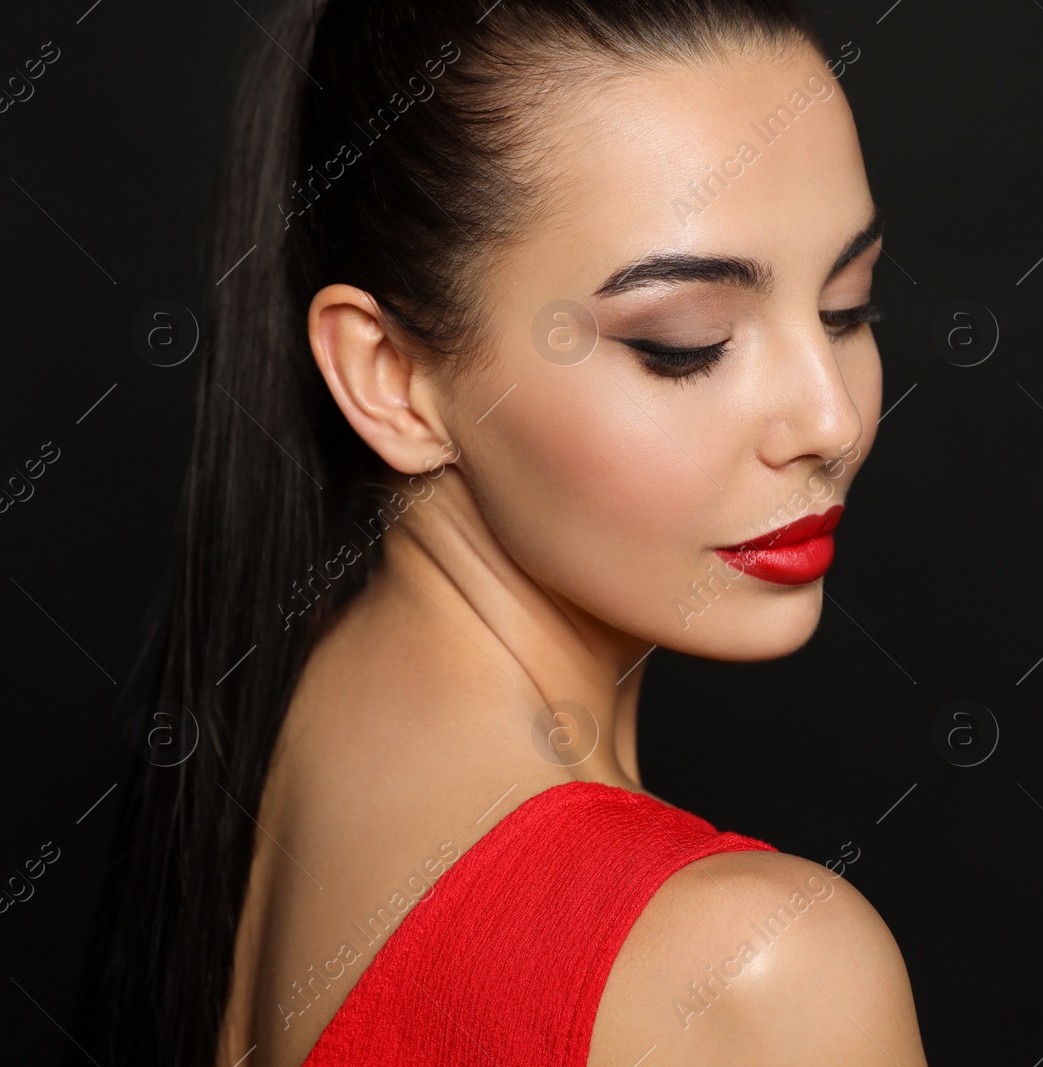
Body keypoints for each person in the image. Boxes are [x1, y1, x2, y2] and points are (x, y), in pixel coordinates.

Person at [72, 1, 927, 1065]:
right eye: (684, 343)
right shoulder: (755, 974)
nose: (830, 421)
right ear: (390, 377)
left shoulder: (285, 714)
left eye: (847, 307)